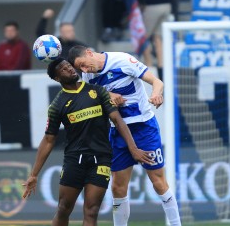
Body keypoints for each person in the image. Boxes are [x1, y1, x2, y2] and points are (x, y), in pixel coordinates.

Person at [22, 58, 154, 226]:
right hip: (74, 160)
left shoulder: (98, 91)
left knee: (91, 212)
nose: (70, 69)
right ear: (57, 78)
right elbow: (49, 140)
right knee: (63, 208)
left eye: (69, 66)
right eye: (63, 69)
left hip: (101, 160)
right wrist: (34, 174)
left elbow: (118, 120)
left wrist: (133, 148)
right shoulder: (57, 105)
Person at [68, 46, 182, 226]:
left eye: (83, 64)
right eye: (80, 68)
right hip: (119, 132)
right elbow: (92, 99)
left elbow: (157, 81)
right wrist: (107, 95)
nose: (84, 70)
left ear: (89, 53)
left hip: (144, 128)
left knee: (158, 182)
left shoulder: (122, 61)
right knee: (117, 187)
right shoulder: (89, 76)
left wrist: (156, 94)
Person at [134, 0, 177, 81]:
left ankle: (149, 68)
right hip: (167, 5)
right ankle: (162, 70)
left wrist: (140, 2)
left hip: (152, 5)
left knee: (143, 38)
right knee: (158, 38)